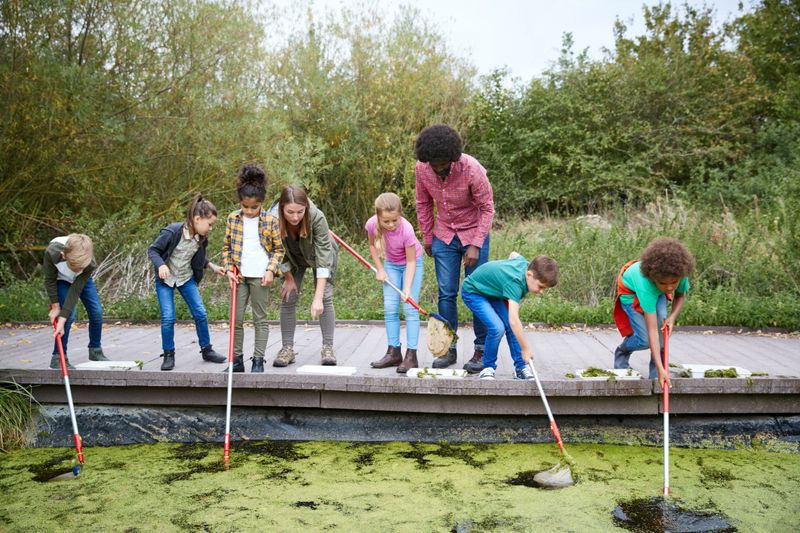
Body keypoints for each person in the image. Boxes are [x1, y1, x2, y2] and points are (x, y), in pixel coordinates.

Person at [414, 124, 495, 370]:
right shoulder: (422, 169)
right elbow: (423, 202)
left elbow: (487, 208)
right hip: (444, 235)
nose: (438, 169)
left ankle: (480, 350)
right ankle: (448, 349)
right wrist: (428, 237)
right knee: (446, 293)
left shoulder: (471, 169)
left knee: (477, 293)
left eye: (443, 164)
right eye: (433, 164)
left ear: (452, 157)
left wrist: (475, 245)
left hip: (474, 233)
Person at [147, 194, 227, 371]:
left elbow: (197, 256)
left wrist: (212, 266)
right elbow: (153, 250)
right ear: (197, 219)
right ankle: (168, 354)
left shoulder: (201, 237)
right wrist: (160, 265)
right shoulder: (172, 232)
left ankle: (207, 350)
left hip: (185, 278)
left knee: (200, 313)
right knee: (168, 317)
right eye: (210, 224)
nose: (211, 228)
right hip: (165, 279)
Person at [222, 164, 285, 373]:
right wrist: (228, 269)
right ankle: (236, 361)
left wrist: (270, 270)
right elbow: (226, 248)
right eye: (245, 206)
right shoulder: (233, 219)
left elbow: (278, 250)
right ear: (240, 202)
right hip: (239, 276)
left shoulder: (270, 220)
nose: (249, 211)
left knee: (260, 319)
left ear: (261, 203)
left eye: (253, 208)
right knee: (236, 319)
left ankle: (258, 361)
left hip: (260, 277)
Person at [461, 253, 559, 380]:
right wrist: (525, 349)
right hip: (473, 291)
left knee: (512, 328)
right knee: (497, 328)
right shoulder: (515, 283)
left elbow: (514, 254)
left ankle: (521, 368)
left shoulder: (526, 266)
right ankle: (488, 367)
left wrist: (501, 275)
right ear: (529, 274)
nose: (541, 291)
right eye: (540, 286)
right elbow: (514, 321)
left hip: (493, 293)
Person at [270, 185, 338, 366]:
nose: (294, 217)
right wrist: (289, 279)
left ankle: (328, 348)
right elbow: (276, 251)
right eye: (290, 212)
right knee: (288, 296)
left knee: (324, 297)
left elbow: (324, 256)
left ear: (306, 208)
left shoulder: (316, 217)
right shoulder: (273, 220)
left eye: (300, 212)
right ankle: (287, 349)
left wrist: (317, 298)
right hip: (291, 258)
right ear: (281, 208)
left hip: (318, 255)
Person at [613, 237, 694, 388]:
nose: (670, 288)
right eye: (664, 283)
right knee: (645, 340)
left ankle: (657, 375)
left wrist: (672, 317)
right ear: (654, 279)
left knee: (663, 326)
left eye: (673, 283)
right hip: (630, 290)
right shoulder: (647, 285)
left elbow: (680, 295)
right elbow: (652, 331)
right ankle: (621, 352)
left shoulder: (679, 274)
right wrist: (660, 366)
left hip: (655, 292)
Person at [365, 192, 425, 373]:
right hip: (390, 264)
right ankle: (393, 352)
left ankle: (411, 357)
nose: (391, 225)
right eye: (386, 221)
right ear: (378, 217)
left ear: (400, 215)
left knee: (409, 308)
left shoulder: (406, 229)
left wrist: (406, 288)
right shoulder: (371, 225)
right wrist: (380, 269)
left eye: (395, 220)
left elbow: (411, 262)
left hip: (411, 264)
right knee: (390, 307)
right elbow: (371, 245)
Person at [44, 234, 111, 369]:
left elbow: (75, 290)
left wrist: (61, 319)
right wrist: (56, 306)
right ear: (64, 256)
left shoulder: (89, 263)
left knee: (96, 311)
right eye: (76, 267)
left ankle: (95, 350)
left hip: (82, 281)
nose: (79, 270)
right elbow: (50, 279)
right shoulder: (52, 253)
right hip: (61, 279)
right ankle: (58, 357)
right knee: (70, 315)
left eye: (81, 267)